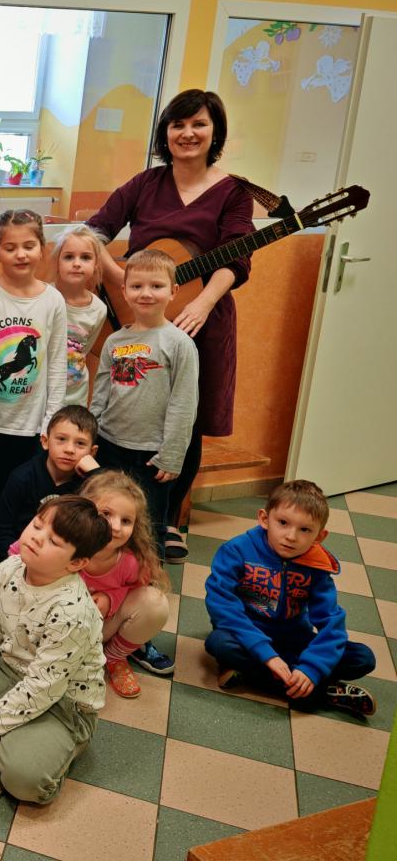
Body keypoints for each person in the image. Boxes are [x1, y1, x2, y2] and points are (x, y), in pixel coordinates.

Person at [87, 89, 255, 562]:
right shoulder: (146, 183)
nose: (188, 133)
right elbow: (95, 230)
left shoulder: (234, 191)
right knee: (132, 402)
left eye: (199, 124)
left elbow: (237, 257)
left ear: (215, 132)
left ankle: (172, 518)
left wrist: (201, 302)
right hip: (138, 320)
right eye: (178, 124)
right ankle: (120, 511)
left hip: (202, 318)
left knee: (187, 415)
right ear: (166, 132)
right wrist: (118, 276)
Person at [0, 496, 110, 804]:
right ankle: (1, 741)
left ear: (76, 563)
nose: (36, 537)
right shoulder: (9, 568)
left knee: (26, 779)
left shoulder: (72, 611)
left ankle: (13, 747)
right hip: (7, 671)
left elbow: (43, 686)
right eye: (37, 524)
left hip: (61, 704)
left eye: (54, 541)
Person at [205, 480, 376, 717]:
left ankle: (274, 676)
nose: (291, 536)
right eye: (283, 523)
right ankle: (319, 693)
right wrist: (267, 655)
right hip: (246, 635)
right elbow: (222, 605)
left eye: (305, 530)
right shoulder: (236, 550)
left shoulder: (317, 567)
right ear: (264, 519)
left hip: (294, 637)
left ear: (320, 536)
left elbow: (332, 622)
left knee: (363, 657)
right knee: (218, 643)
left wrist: (311, 668)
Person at [90, 249, 198, 560]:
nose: (146, 293)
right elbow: (100, 395)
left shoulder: (180, 344)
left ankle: (148, 578)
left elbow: (184, 403)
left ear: (173, 291)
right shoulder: (114, 342)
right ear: (124, 291)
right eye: (137, 286)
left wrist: (172, 455)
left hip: (152, 454)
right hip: (109, 444)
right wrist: (90, 437)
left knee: (148, 526)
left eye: (156, 286)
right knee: (105, 517)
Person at [0, 210, 67, 541]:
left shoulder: (53, 300)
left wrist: (51, 421)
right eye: (10, 247)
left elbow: (57, 362)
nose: (20, 254)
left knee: (23, 499)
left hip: (32, 425)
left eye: (29, 246)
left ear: (42, 248)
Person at [78, 472, 173, 698]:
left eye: (126, 520)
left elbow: (137, 594)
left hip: (101, 628)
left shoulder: (131, 562)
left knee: (155, 601)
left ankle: (113, 658)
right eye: (106, 514)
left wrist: (111, 598)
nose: (116, 526)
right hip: (55, 630)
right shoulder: (66, 544)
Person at [0, 405, 100, 561]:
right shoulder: (23, 477)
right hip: (18, 557)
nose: (69, 449)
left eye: (80, 443)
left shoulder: (90, 483)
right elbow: (0, 530)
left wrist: (96, 474)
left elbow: (103, 524)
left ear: (92, 452)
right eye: (61, 439)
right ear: (45, 441)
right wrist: (18, 561)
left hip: (64, 561)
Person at [50, 225, 107, 407]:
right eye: (69, 257)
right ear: (57, 262)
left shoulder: (99, 309)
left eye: (85, 257)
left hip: (75, 397)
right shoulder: (45, 297)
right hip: (43, 395)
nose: (77, 263)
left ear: (95, 264)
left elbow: (84, 349)